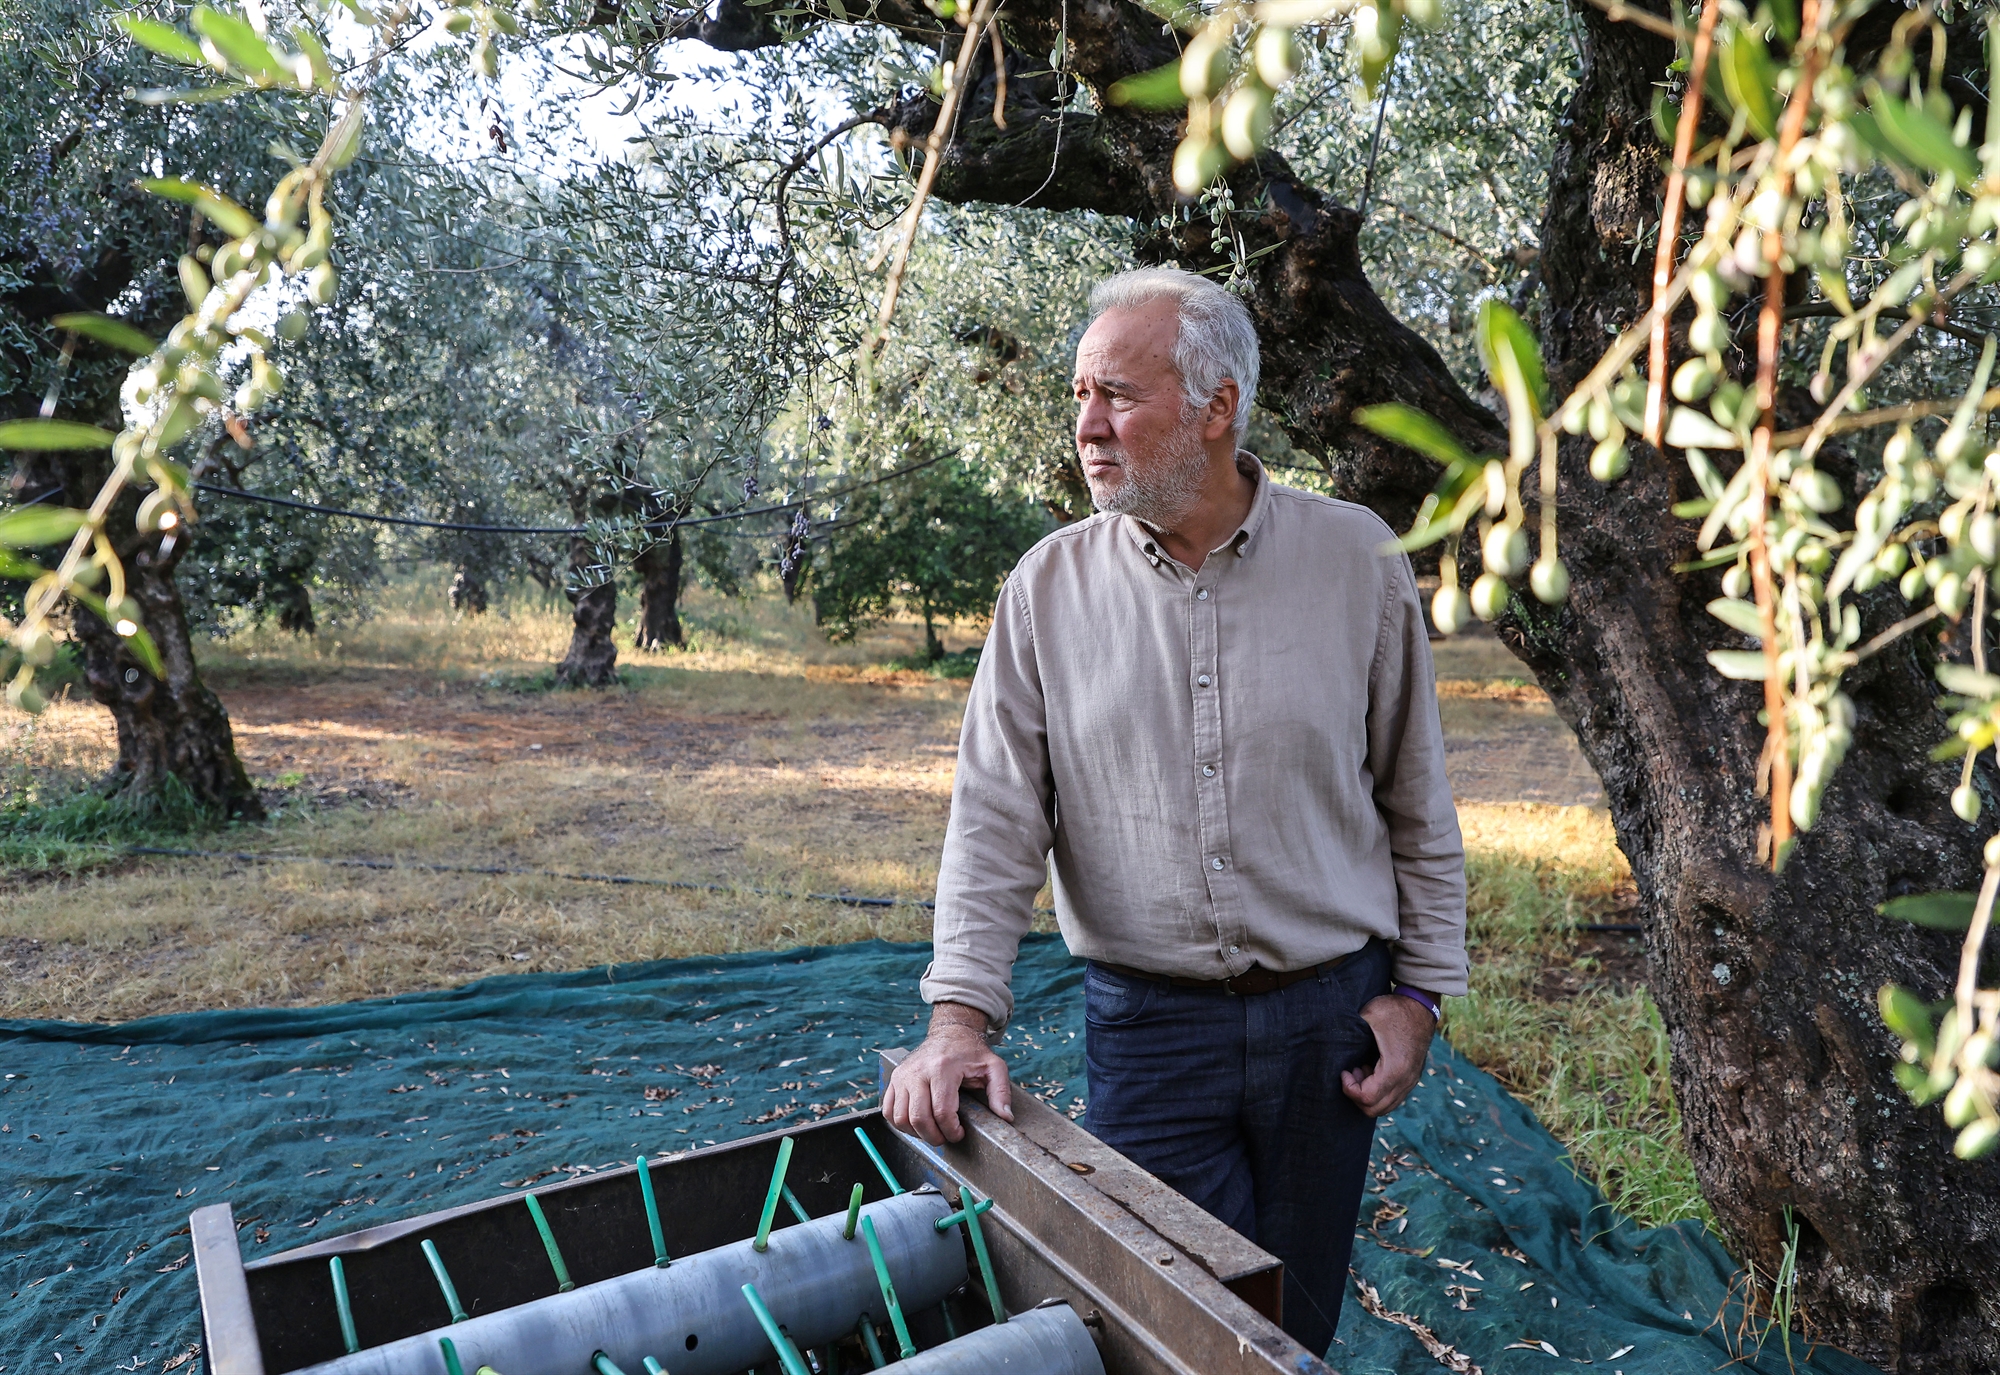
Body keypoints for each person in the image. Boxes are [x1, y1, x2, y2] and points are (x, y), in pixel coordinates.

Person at [882, 265, 1467, 1354]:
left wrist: (1418, 997)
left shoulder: (1356, 560)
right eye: (1076, 396)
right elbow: (993, 822)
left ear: (1215, 407)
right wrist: (957, 1022)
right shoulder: (1046, 589)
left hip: (1327, 1026)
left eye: (1115, 394)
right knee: (1169, 1334)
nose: (1086, 426)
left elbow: (1414, 800)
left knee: (1295, 1327)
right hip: (1149, 1033)